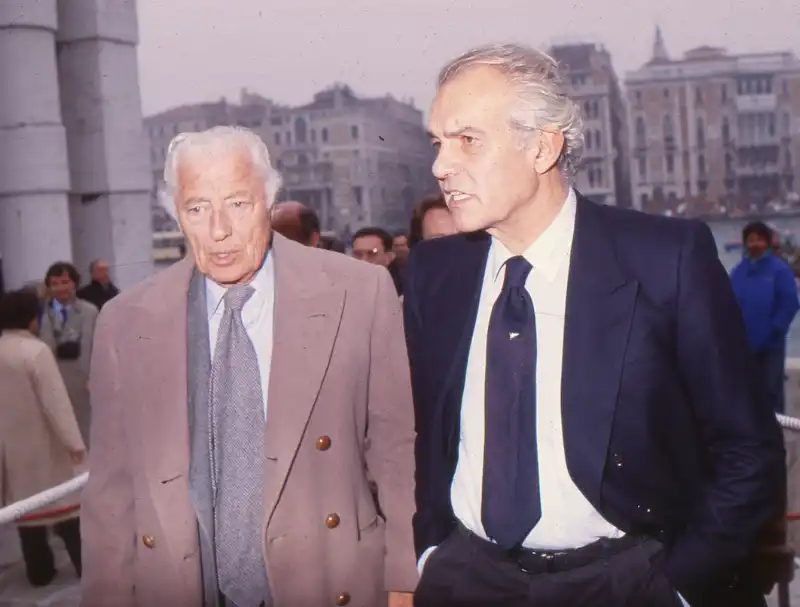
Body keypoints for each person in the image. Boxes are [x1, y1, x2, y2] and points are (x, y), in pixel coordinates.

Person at [404, 43, 785, 607]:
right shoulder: (436, 273)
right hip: (468, 580)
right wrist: (433, 553)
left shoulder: (663, 259)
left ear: (542, 145)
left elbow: (747, 450)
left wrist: (678, 587)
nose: (440, 165)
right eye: (438, 142)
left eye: (467, 140)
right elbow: (434, 438)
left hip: (625, 582)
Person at [81, 126, 417, 607]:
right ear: (176, 213)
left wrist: (402, 578)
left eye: (238, 204)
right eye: (197, 209)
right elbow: (111, 493)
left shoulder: (359, 292)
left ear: (270, 199)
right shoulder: (126, 320)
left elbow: (394, 448)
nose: (218, 229)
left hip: (327, 578)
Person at [0, 289, 85, 587]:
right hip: (45, 443)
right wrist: (74, 443)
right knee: (65, 509)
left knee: (27, 512)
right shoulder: (35, 351)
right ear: (31, 318)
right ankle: (85, 565)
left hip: (11, 449)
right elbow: (56, 402)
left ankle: (39, 572)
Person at [730, 221, 799, 413]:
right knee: (747, 395)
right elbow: (726, 303)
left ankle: (775, 439)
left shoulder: (780, 271)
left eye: (759, 240)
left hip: (771, 346)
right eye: (751, 240)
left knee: (771, 393)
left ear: (767, 242)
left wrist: (774, 329)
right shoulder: (737, 272)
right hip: (744, 346)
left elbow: (790, 304)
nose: (755, 244)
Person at [38, 261, 98, 446]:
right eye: (54, 284)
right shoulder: (41, 313)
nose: (60, 288)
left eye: (65, 282)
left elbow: (93, 346)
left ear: (74, 283)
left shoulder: (90, 311)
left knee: (84, 430)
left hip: (81, 379)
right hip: (50, 378)